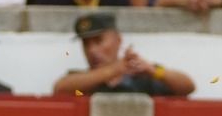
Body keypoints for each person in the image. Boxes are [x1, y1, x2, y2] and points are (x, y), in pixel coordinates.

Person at [53, 11, 196, 95]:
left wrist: (152, 70)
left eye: (98, 41)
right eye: (86, 44)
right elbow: (61, 88)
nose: (92, 50)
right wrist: (115, 69)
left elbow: (188, 86)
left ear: (118, 39)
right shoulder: (82, 82)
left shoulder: (144, 75)